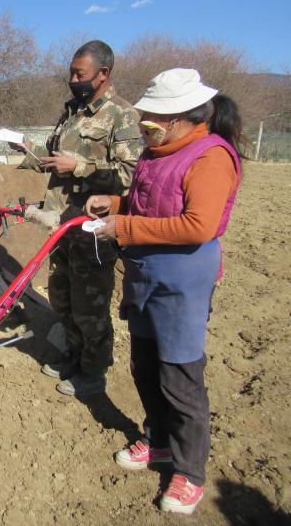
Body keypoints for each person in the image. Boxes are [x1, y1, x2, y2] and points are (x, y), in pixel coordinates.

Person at [85, 68, 244, 515]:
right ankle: (157, 440)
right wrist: (115, 205)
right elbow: (149, 205)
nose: (143, 128)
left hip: (181, 283)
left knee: (180, 377)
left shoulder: (210, 157)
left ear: (182, 118)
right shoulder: (159, 152)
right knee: (145, 366)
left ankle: (190, 471)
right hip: (146, 275)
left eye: (152, 121)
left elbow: (199, 224)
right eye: (144, 119)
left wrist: (124, 226)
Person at [11, 40, 142, 396]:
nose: (73, 79)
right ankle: (73, 354)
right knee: (63, 297)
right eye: (71, 72)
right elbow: (56, 160)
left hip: (92, 229)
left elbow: (132, 173)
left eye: (79, 73)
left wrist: (80, 166)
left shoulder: (121, 114)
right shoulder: (72, 111)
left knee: (90, 306)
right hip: (61, 226)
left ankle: (93, 372)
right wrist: (28, 149)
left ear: (103, 74)